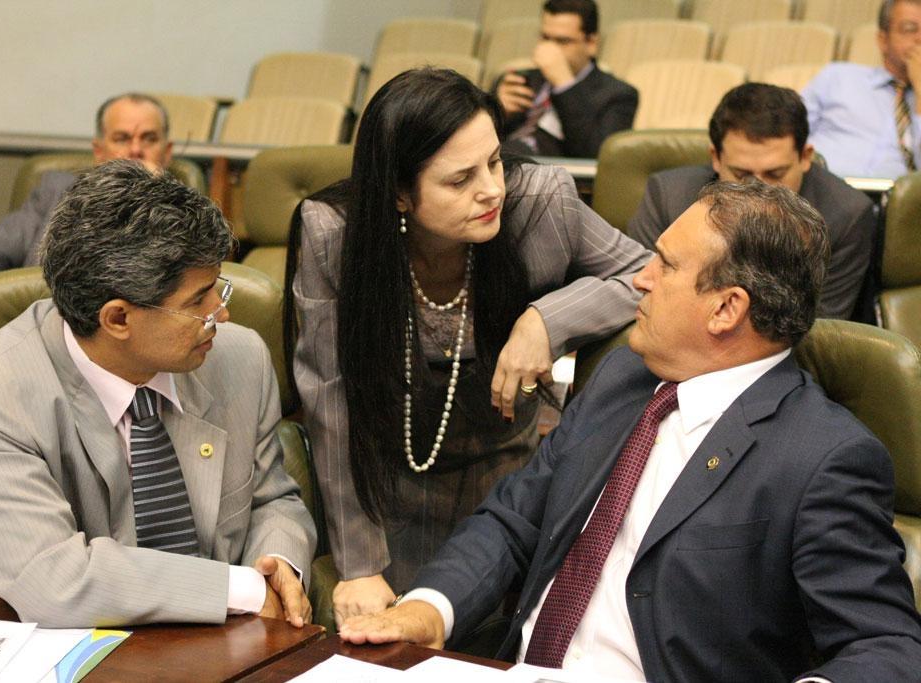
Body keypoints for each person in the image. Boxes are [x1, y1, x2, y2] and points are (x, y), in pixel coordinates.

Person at [339, 181, 921, 680]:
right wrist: (429, 608)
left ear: (726, 309)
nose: (641, 279)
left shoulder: (824, 457)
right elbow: (514, 520)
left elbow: (885, 646)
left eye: (666, 265)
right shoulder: (623, 378)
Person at [286, 67, 650, 627]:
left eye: (495, 162)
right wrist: (359, 563)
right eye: (460, 180)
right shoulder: (333, 233)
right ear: (399, 192)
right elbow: (330, 402)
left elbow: (649, 277)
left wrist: (546, 320)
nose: (492, 190)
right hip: (382, 488)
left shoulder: (540, 203)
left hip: (508, 482)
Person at [0, 161, 316, 628]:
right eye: (198, 300)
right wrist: (239, 590)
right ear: (117, 319)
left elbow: (273, 500)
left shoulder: (240, 358)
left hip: (237, 638)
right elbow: (53, 581)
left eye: (218, 287)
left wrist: (278, 568)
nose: (222, 313)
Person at [0, 92, 174, 308]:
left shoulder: (184, 214)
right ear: (99, 151)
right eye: (122, 138)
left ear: (167, 151)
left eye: (149, 139)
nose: (136, 150)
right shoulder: (57, 191)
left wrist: (156, 194)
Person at [629, 82, 877, 321]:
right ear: (716, 158)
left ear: (805, 157)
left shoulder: (847, 215)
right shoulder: (668, 197)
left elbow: (821, 327)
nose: (758, 189)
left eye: (775, 174)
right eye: (741, 175)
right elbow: (644, 299)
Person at [494, 0, 637, 158]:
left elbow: (599, 158)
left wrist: (565, 85)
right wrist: (497, 112)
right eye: (545, 38)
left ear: (591, 43)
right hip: (501, 160)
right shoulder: (518, 80)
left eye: (562, 41)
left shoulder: (619, 95)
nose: (549, 50)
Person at [802, 0, 921, 178]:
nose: (919, 38)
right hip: (822, 185)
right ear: (882, 40)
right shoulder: (837, 77)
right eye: (909, 29)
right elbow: (790, 134)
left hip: (893, 194)